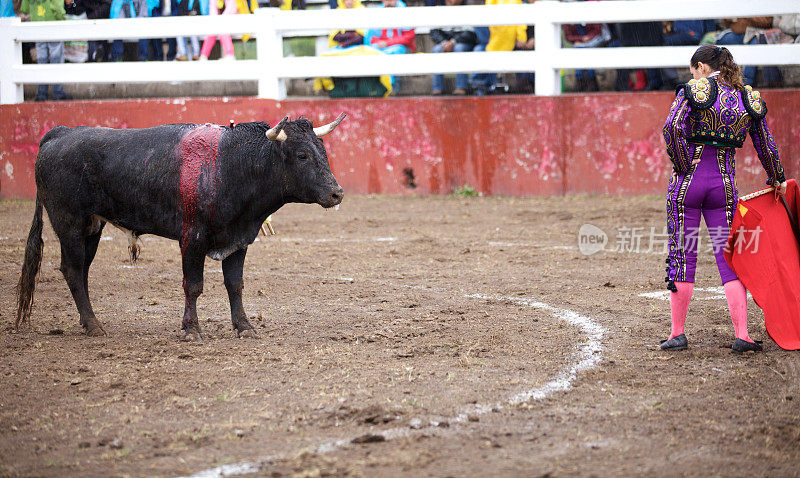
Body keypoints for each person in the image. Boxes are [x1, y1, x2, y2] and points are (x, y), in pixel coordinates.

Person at [661, 44, 787, 353]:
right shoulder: (746, 97)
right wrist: (777, 177)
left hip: (687, 185)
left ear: (702, 68)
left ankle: (678, 333)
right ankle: (742, 335)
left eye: (694, 70)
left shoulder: (696, 90)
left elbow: (672, 126)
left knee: (683, 254)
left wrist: (681, 162)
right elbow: (765, 143)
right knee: (729, 257)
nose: (693, 75)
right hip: (725, 187)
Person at [18, 0, 72, 100]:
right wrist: (62, 19)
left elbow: (24, 9)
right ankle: (57, 93)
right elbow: (57, 8)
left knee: (41, 60)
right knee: (56, 60)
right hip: (53, 25)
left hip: (36, 27)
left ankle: (41, 94)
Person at [716, 17, 781, 88]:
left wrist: (746, 17)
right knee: (723, 41)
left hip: (757, 32)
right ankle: (721, 83)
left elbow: (768, 22)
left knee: (754, 44)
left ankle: (746, 84)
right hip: (740, 33)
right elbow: (728, 23)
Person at [429, 0, 477, 96]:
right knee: (437, 50)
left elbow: (470, 34)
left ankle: (461, 87)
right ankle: (437, 88)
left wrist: (453, 42)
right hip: (444, 43)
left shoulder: (466, 10)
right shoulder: (439, 10)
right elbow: (434, 32)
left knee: (459, 49)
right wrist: (444, 42)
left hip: (462, 42)